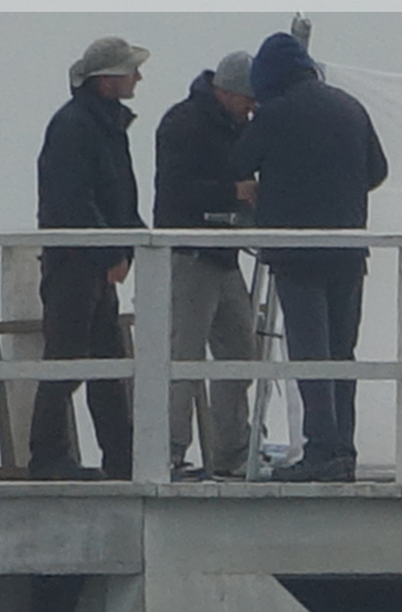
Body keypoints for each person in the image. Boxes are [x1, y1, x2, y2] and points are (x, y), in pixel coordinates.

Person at [232, 32, 388, 483]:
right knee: (341, 354)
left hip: (296, 255)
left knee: (310, 353)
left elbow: (240, 161)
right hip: (347, 251)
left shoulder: (274, 114)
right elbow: (378, 171)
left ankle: (319, 452)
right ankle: (343, 451)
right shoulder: (349, 107)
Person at [29, 36, 150, 480]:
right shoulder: (78, 126)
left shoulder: (96, 123)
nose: (139, 77)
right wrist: (115, 251)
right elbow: (73, 203)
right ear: (106, 80)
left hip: (90, 263)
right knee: (69, 359)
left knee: (104, 363)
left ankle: (120, 460)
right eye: (130, 70)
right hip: (75, 266)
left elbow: (114, 198)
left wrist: (129, 245)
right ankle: (50, 458)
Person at [153, 51, 259, 480]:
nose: (253, 107)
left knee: (241, 353)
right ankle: (168, 453)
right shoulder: (183, 123)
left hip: (222, 255)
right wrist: (232, 191)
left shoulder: (233, 125)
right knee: (183, 356)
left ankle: (231, 450)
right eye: (248, 99)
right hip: (190, 254)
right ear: (227, 91)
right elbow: (174, 192)